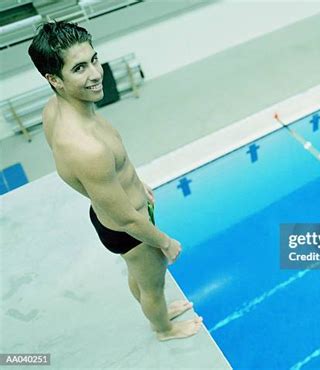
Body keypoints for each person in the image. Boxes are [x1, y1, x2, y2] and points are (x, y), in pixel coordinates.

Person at [28, 21, 202, 340]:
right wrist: (165, 241)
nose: (96, 74)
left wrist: (134, 185)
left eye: (94, 60)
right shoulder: (85, 147)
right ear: (54, 79)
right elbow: (124, 218)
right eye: (79, 68)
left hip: (111, 213)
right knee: (154, 282)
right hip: (129, 227)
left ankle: (155, 306)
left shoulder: (55, 109)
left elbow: (99, 177)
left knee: (140, 276)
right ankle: (163, 328)